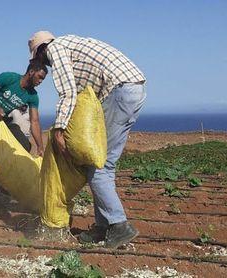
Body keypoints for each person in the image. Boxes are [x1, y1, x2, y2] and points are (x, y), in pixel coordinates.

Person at [29, 31, 147, 249]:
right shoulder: (73, 44)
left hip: (120, 91)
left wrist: (60, 128)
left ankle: (119, 225)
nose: (45, 64)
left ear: (41, 50)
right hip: (134, 89)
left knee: (97, 166)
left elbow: (68, 93)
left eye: (38, 58)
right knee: (104, 164)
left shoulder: (56, 49)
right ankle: (103, 227)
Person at [0, 61, 47, 199]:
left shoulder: (33, 96)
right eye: (40, 77)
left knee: (24, 145)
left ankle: (6, 186)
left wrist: (40, 146)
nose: (41, 81)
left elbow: (35, 121)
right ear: (31, 72)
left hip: (2, 122)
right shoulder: (9, 78)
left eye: (43, 79)